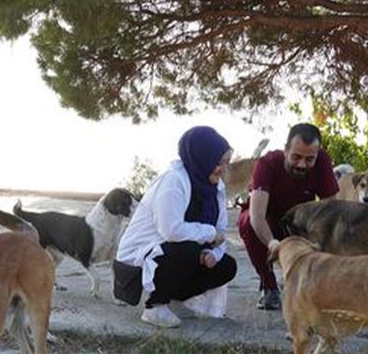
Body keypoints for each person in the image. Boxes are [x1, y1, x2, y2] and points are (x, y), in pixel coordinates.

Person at [114, 126, 238, 328]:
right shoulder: (173, 181)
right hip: (137, 261)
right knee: (187, 249)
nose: (223, 168)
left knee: (226, 266)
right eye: (218, 162)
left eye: (226, 163)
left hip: (173, 250)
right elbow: (170, 230)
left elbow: (220, 232)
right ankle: (155, 306)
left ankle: (176, 300)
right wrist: (209, 234)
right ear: (203, 158)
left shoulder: (215, 188)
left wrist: (211, 253)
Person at [237, 123, 339, 310]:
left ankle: (312, 287)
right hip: (269, 219)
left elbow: (333, 210)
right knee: (247, 223)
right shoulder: (267, 164)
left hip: (301, 222)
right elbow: (256, 216)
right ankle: (269, 286)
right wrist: (273, 244)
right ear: (285, 151)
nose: (302, 164)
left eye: (309, 159)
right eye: (296, 157)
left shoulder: (323, 162)